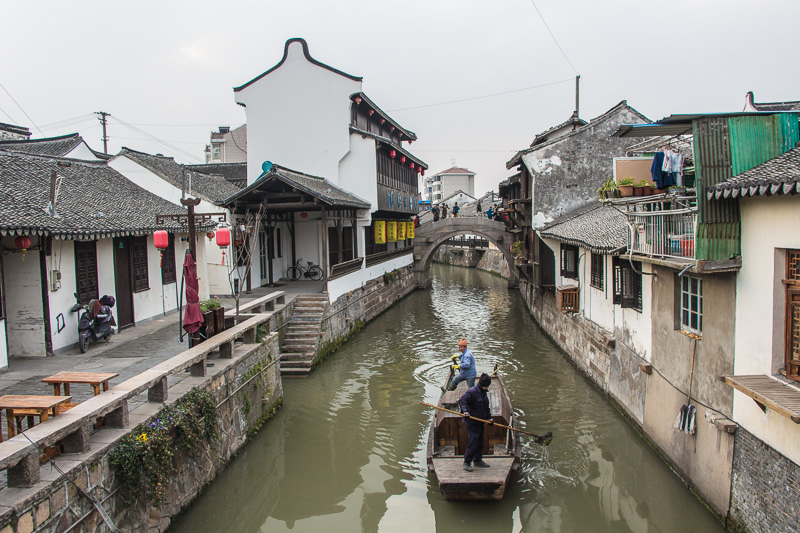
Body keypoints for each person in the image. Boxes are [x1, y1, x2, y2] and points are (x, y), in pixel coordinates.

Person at [458, 373, 493, 472]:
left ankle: (477, 460)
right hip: (472, 422)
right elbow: (462, 401)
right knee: (473, 442)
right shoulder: (472, 392)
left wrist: (489, 418)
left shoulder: (484, 393)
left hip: (480, 422)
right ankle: (467, 462)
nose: (487, 388)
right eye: (486, 386)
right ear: (483, 385)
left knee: (480, 443)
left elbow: (486, 408)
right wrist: (465, 411)